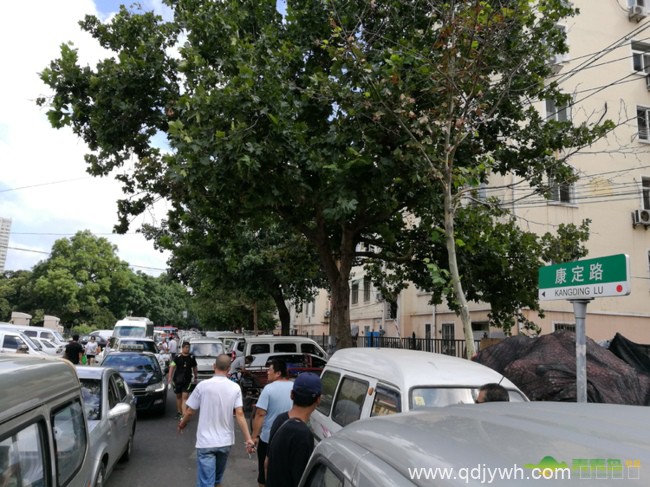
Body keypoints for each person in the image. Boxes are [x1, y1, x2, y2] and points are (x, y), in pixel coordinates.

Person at [177, 354, 255, 487]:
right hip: (225, 442)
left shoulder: (203, 386)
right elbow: (240, 414)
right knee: (217, 480)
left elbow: (190, 411)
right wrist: (248, 439)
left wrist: (182, 424)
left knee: (206, 483)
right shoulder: (235, 387)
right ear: (229, 369)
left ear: (214, 366)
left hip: (206, 442)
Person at [265, 372, 321, 487]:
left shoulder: (280, 420)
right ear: (318, 400)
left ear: (292, 395)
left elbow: (267, 463)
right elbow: (301, 480)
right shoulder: (303, 435)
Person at [251, 359, 293, 487]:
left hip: (268, 438)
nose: (267, 373)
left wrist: (254, 437)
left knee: (264, 475)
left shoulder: (268, 389)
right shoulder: (294, 386)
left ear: (278, 373)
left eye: (270, 370)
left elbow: (260, 414)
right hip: (289, 438)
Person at [168, 341, 198, 420]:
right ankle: (179, 412)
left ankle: (184, 414)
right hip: (177, 379)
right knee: (178, 396)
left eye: (189, 347)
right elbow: (172, 366)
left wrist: (195, 376)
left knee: (185, 397)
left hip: (187, 380)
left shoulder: (192, 357)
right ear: (182, 348)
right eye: (186, 347)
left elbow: (194, 367)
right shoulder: (177, 357)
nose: (188, 349)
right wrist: (169, 377)